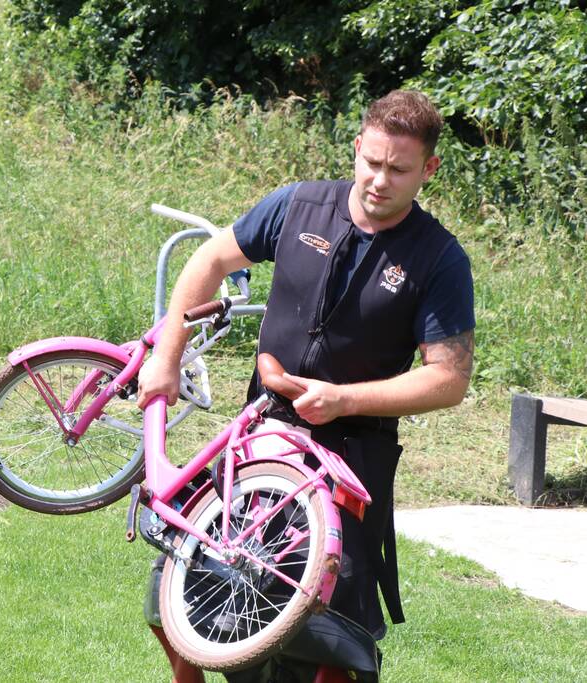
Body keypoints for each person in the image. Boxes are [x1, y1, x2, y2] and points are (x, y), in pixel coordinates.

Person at [136, 90, 475, 682]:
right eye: (371, 162)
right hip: (260, 440)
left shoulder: (439, 258)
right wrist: (169, 352)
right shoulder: (299, 205)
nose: (379, 180)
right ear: (356, 148)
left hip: (351, 460)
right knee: (177, 597)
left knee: (327, 640)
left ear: (429, 169)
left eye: (399, 170)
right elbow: (210, 260)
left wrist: (344, 399)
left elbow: (448, 379)